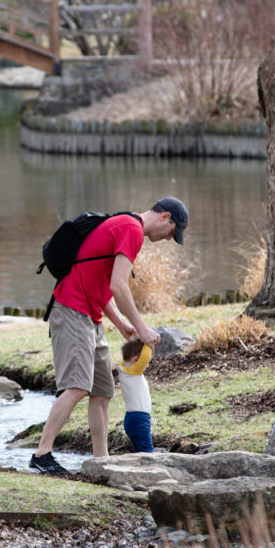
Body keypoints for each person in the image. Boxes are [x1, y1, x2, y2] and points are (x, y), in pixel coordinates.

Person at [30, 196, 189, 474]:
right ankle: (41, 454)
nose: (167, 240)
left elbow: (100, 282)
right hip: (71, 309)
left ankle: (100, 462)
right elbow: (118, 285)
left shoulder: (127, 226)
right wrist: (141, 328)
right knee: (78, 386)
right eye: (172, 234)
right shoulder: (131, 229)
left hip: (91, 316)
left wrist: (120, 324)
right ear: (165, 217)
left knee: (102, 392)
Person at [119, 338, 154, 453]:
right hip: (138, 419)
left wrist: (136, 338)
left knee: (141, 451)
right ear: (136, 360)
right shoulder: (133, 371)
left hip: (134, 418)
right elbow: (145, 356)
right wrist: (148, 342)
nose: (146, 365)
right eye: (146, 363)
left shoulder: (127, 370)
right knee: (147, 452)